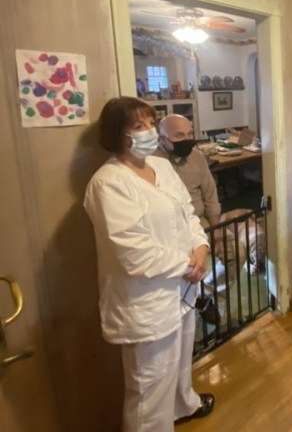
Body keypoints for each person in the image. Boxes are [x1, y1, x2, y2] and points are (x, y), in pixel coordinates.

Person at [83, 97, 215, 431]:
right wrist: (187, 264)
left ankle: (183, 404)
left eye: (151, 123)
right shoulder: (108, 182)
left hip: (183, 288)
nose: (149, 131)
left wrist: (200, 246)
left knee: (181, 361)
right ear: (118, 134)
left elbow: (188, 213)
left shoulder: (164, 168)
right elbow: (130, 249)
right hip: (147, 300)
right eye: (138, 126)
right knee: (148, 385)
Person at [155, 114, 247, 331]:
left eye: (189, 134)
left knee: (236, 251)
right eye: (179, 135)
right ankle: (184, 304)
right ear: (162, 138)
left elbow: (211, 196)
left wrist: (215, 230)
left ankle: (205, 296)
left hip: (201, 220)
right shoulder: (152, 162)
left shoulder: (197, 157)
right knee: (184, 265)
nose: (186, 139)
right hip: (170, 226)